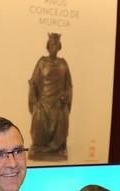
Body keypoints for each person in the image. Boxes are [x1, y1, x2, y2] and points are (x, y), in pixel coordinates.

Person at [28, 32, 72, 161]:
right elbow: (33, 82)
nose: (54, 47)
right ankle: (39, 146)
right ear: (48, 46)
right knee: (39, 117)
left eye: (56, 44)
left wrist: (65, 96)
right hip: (43, 102)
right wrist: (35, 101)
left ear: (59, 47)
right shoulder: (42, 62)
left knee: (61, 117)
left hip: (58, 103)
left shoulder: (63, 64)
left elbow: (69, 86)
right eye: (52, 44)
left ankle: (58, 147)